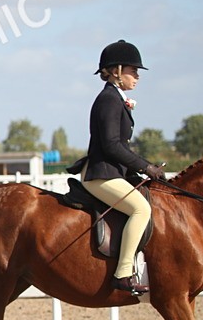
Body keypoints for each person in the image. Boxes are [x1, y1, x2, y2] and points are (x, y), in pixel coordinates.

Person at [68, 40, 166, 295]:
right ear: (116, 70)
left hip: (113, 173)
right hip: (101, 175)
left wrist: (142, 169)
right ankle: (122, 274)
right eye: (133, 70)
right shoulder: (109, 99)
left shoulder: (116, 98)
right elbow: (112, 145)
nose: (137, 76)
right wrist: (146, 167)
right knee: (141, 209)